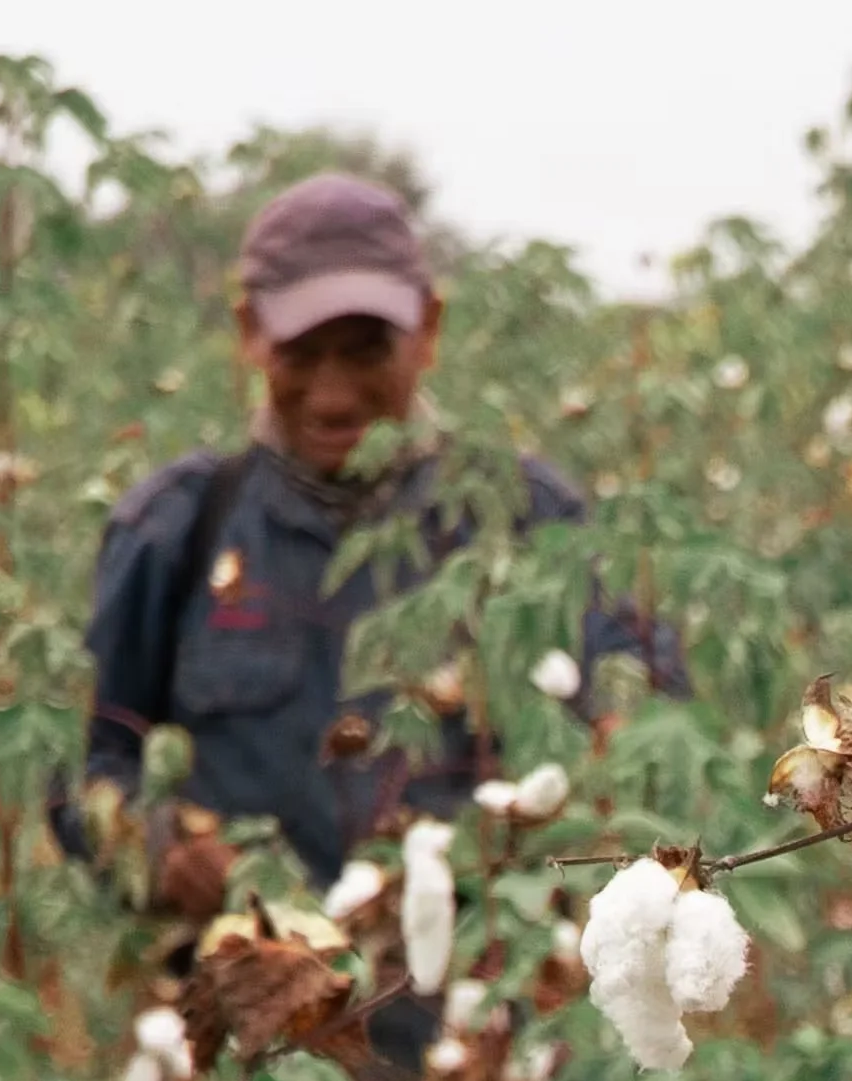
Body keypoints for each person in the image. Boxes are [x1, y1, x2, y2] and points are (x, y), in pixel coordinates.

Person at [64, 168, 670, 933]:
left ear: (430, 329)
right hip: (251, 1012)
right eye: (302, 353)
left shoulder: (534, 524)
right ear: (250, 332)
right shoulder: (175, 531)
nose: (333, 394)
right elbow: (84, 765)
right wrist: (157, 846)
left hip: (485, 1015)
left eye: (364, 352)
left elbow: (648, 731)